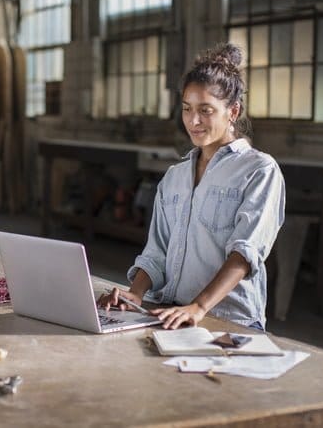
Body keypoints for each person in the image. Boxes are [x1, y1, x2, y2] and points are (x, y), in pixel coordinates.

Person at [97, 43, 285, 330]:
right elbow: (156, 253)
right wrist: (135, 294)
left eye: (205, 110)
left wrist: (198, 307)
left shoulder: (259, 171)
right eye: (187, 109)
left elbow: (245, 254)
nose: (193, 121)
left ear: (233, 111)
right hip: (169, 312)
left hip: (227, 319)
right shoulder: (174, 177)